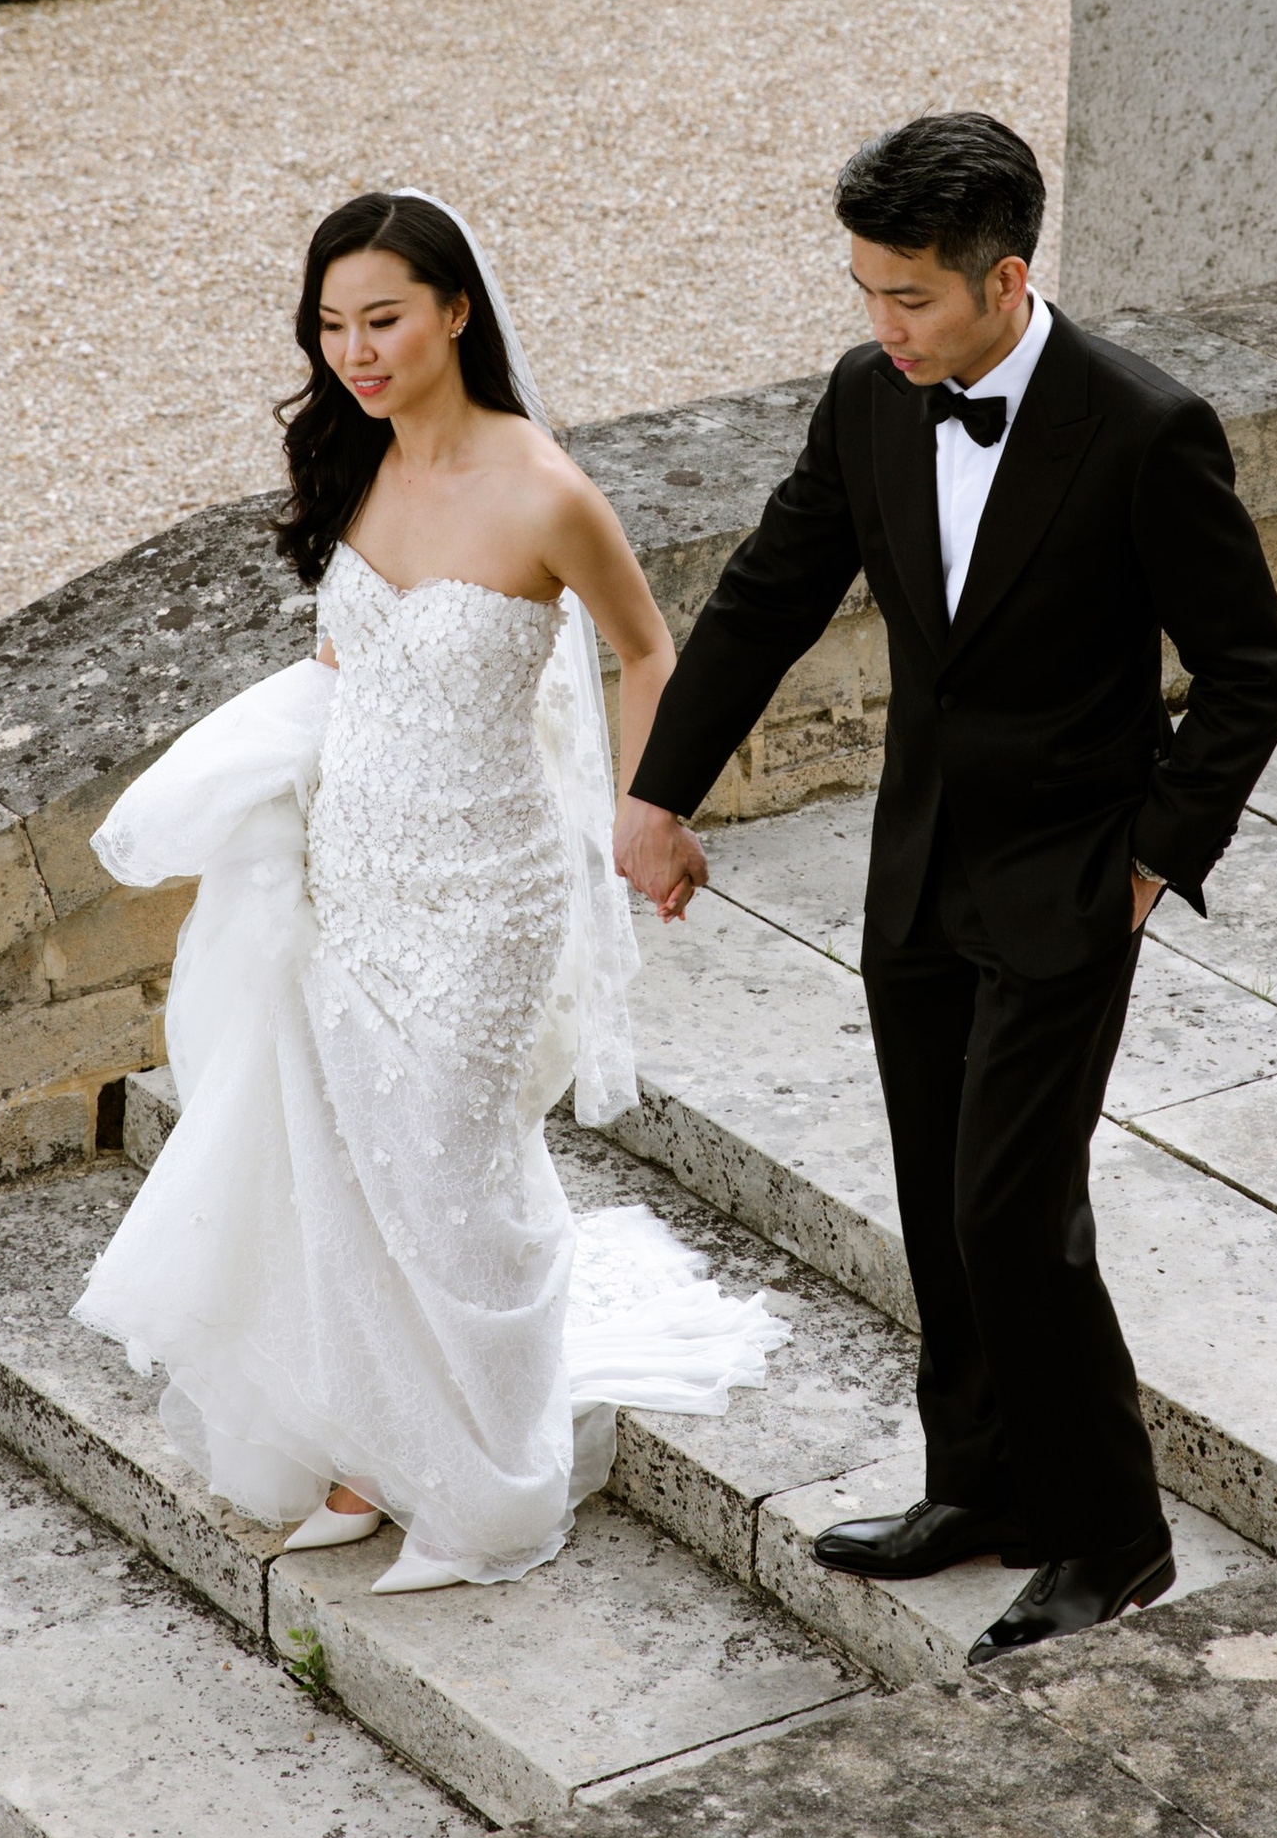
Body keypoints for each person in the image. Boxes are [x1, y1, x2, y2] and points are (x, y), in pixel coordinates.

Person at [615, 113, 1277, 1666]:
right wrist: (656, 794)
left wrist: (1149, 860)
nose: (880, 326)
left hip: (1072, 886)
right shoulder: (870, 401)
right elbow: (769, 596)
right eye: (864, 292)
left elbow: (1250, 669)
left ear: (1004, 278)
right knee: (938, 1196)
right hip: (916, 874)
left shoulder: (1142, 426)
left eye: (908, 298)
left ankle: (1114, 1538)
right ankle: (980, 1490)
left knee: (1013, 1213)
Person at [73, 190, 780, 1594]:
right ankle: (365, 1449)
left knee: (455, 1185)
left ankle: (487, 1488)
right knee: (349, 1174)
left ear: (458, 311)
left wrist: (654, 814)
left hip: (485, 896)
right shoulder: (354, 465)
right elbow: (356, 664)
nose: (356, 351)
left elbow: (648, 655)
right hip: (353, 875)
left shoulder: (545, 492)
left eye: (383, 319)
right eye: (332, 326)